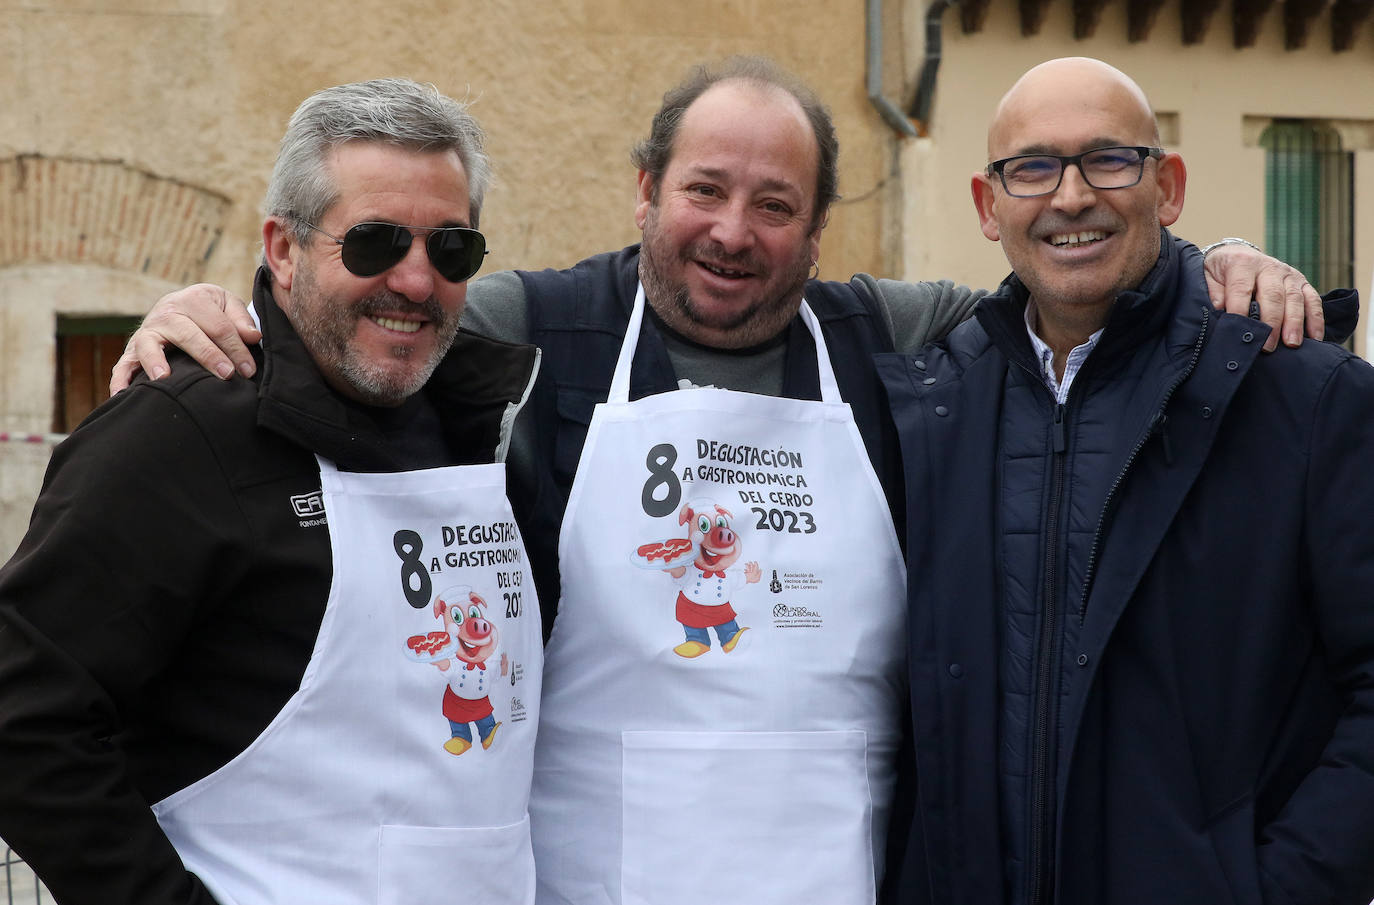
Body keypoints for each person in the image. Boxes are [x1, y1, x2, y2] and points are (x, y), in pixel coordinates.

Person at [108, 57, 1331, 905]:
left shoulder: (903, 341)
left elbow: (1074, 282)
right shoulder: (533, 328)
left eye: (775, 204)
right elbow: (373, 304)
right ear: (646, 190)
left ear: (818, 228)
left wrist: (1218, 259)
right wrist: (224, 305)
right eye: (702, 191)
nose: (733, 232)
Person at [0, 79, 545, 905]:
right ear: (284, 251)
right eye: (373, 243)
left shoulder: (490, 426)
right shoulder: (179, 437)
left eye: (451, 249)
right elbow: (22, 714)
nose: (415, 280)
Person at [876, 57, 1374, 905]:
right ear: (987, 206)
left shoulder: (1307, 397)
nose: (1071, 197)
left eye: (1109, 159)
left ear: (1168, 186)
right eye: (1031, 167)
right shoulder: (932, 406)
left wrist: (1278, 888)